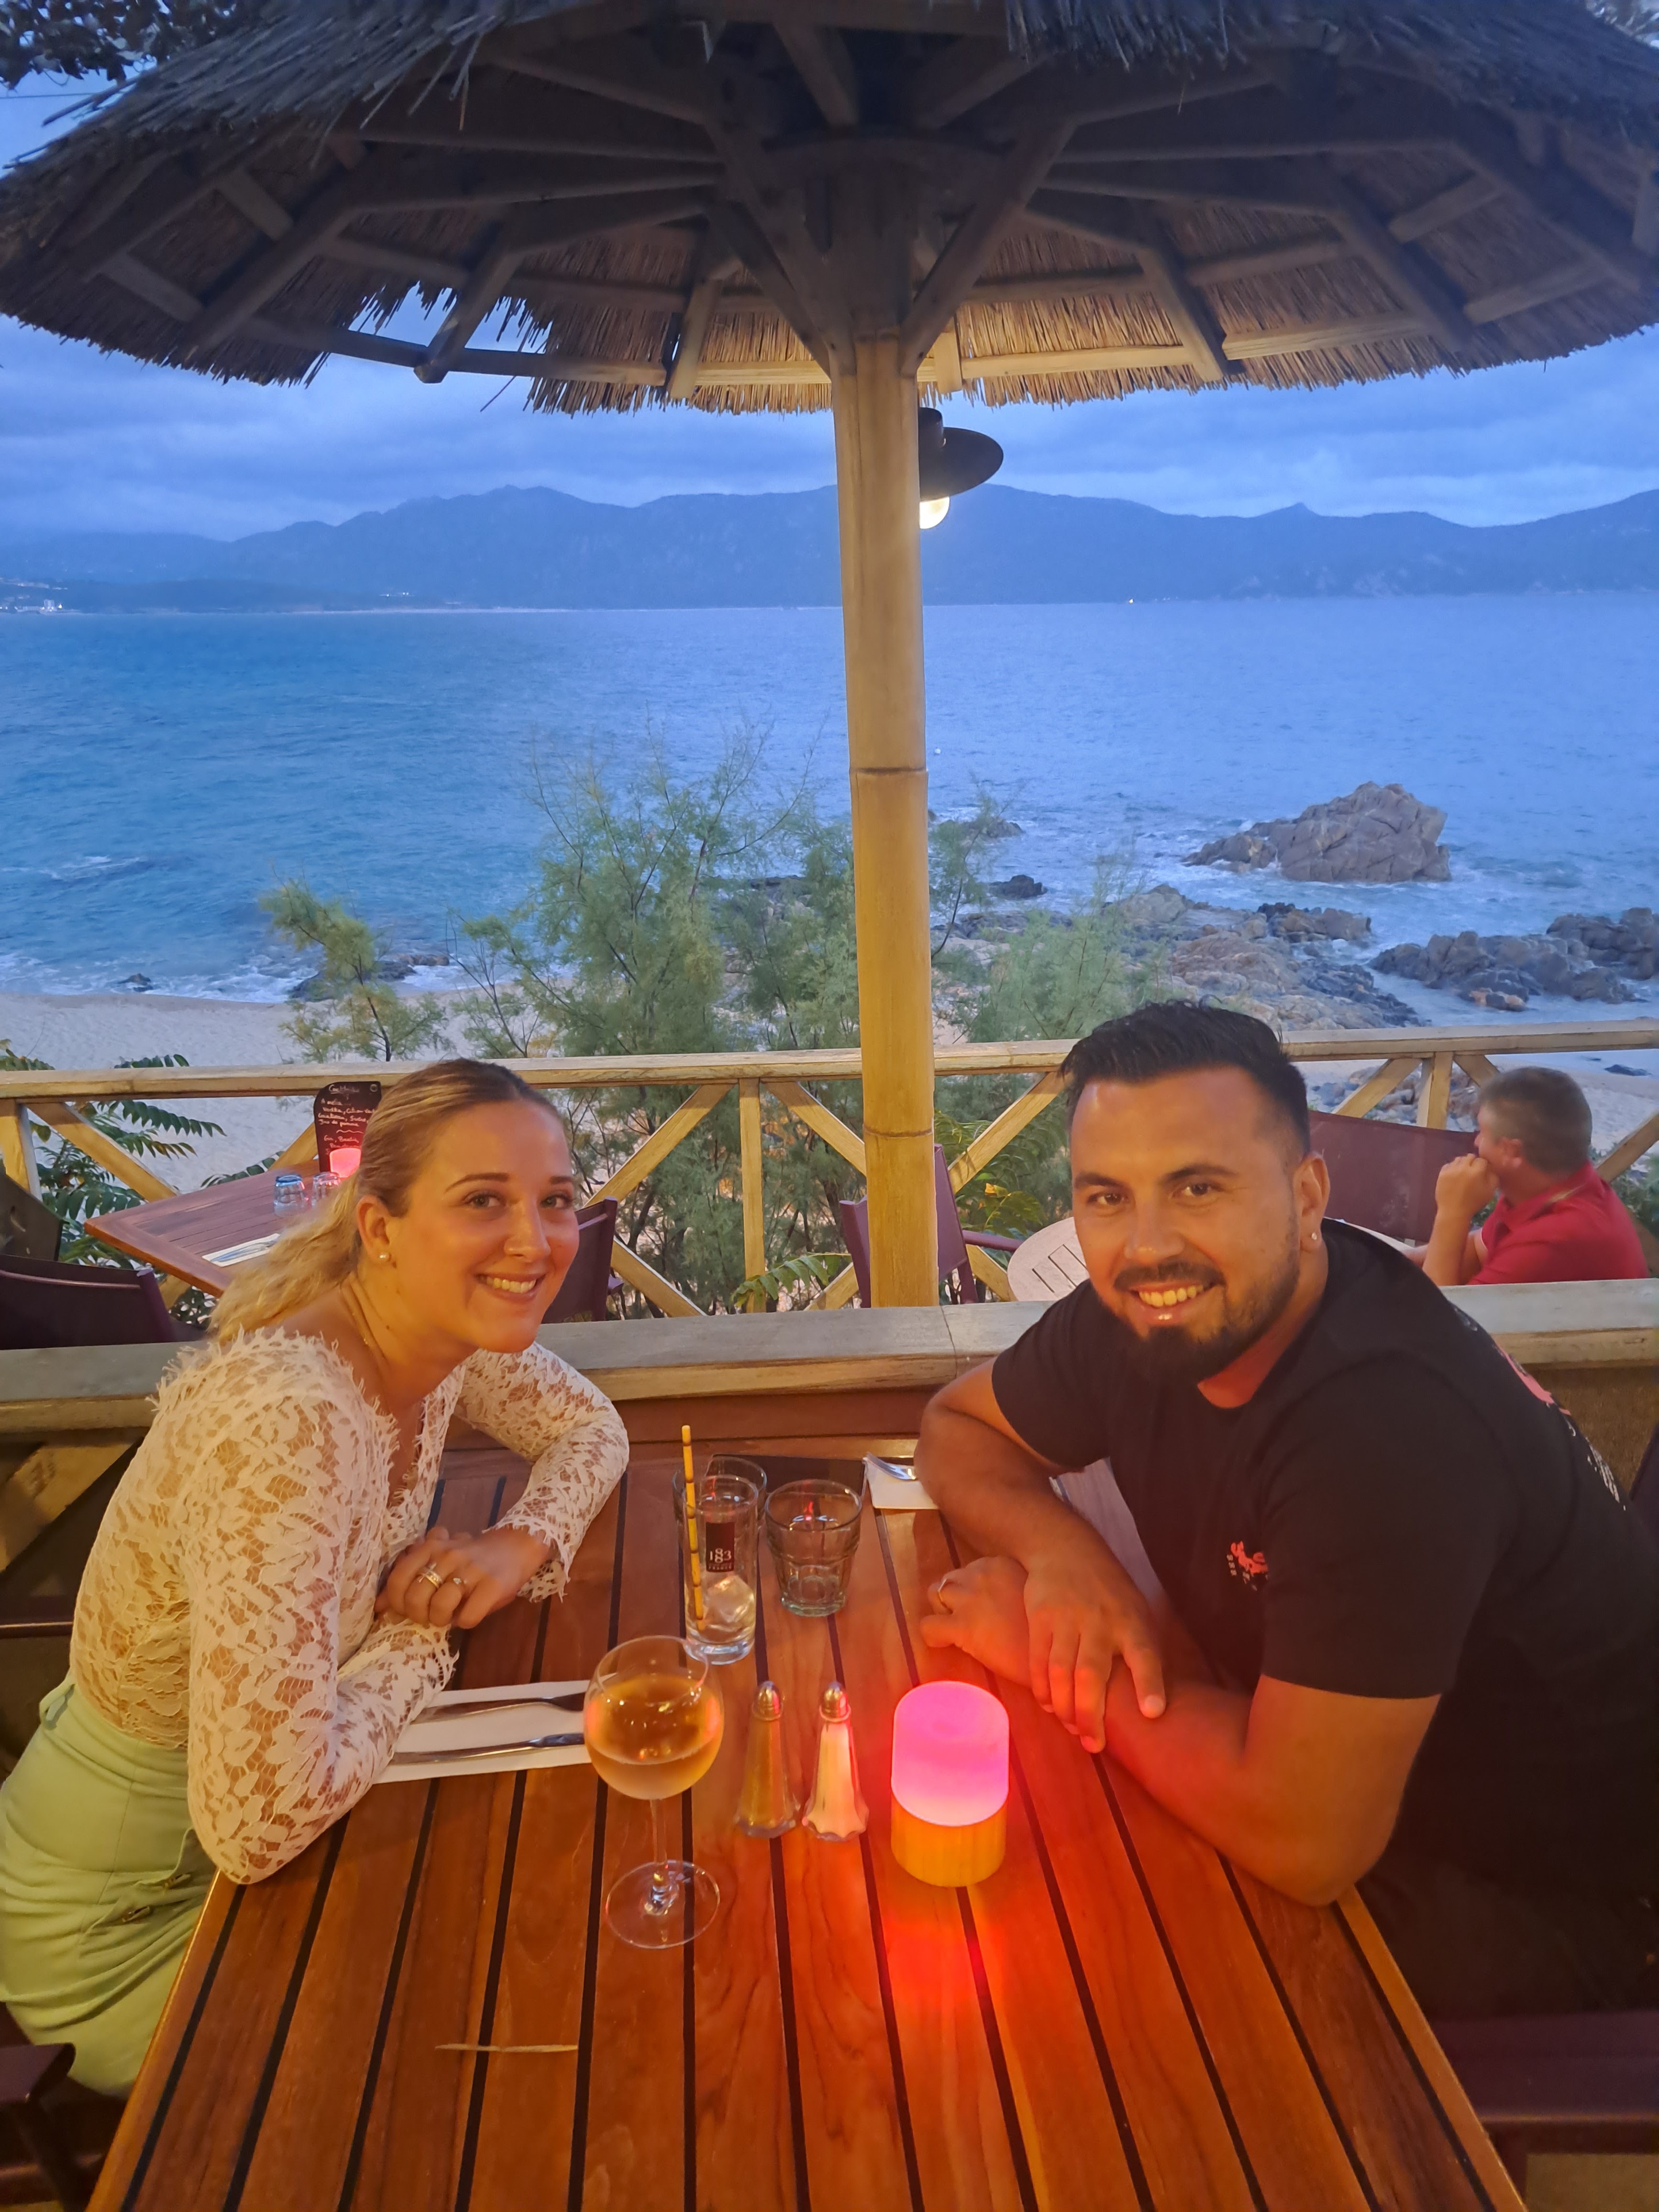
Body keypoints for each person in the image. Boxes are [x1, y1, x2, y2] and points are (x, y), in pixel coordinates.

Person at [916, 1002, 1659, 2020]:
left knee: (1076, 1976)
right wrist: (1062, 1558)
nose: (1146, 1245)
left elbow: (1304, 1840)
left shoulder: (1385, 1431)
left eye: (1199, 1186)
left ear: (1306, 1195)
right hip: (1321, 1763)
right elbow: (955, 1428)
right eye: (1106, 1196)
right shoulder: (1149, 1314)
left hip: (1549, 1893)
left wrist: (1054, 1663)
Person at [0, 1059, 628, 2094]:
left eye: (554, 1199)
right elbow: (258, 1823)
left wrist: (514, 1545)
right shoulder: (290, 1418)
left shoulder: (435, 1330)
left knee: (512, 1950)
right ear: (379, 1225)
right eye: (483, 1201)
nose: (535, 1239)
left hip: (285, 1828)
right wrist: (423, 1634)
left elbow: (590, 1428)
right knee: (469, 2036)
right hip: (127, 1918)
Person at [1417, 1065, 1648, 1287]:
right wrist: (1395, 1262)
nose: (1476, 1142)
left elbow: (1433, 1312)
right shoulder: (1551, 1188)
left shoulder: (1554, 1239)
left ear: (1513, 1151)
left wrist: (1452, 1213)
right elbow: (1479, 1251)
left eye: (1482, 1132)